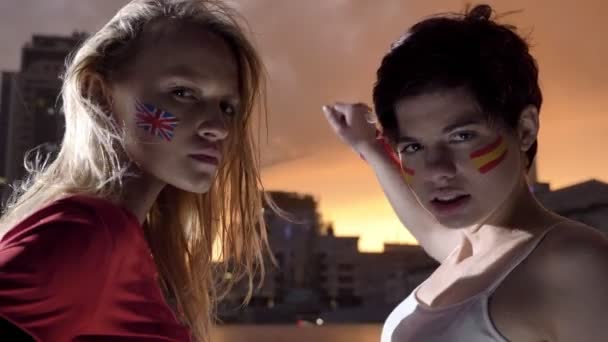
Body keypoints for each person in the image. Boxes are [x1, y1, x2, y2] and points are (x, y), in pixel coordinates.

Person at [323, 4, 608, 342]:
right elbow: (426, 229)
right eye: (414, 147)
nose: (437, 171)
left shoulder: (575, 265)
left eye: (461, 137)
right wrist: (369, 147)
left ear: (525, 130)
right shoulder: (467, 252)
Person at [0, 0, 273, 341]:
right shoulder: (90, 235)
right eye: (183, 92)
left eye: (227, 107)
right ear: (99, 95)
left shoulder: (117, 239)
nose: (218, 126)